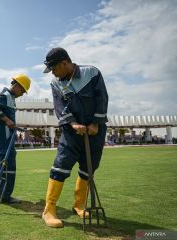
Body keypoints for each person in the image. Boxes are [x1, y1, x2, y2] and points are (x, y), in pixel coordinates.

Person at [41, 47, 108, 227]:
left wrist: (95, 123)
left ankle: (79, 206)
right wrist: (72, 124)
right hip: (71, 133)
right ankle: (49, 209)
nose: (53, 73)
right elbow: (60, 107)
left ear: (64, 63)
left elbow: (102, 98)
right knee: (60, 166)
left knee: (89, 168)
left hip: (96, 131)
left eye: (54, 68)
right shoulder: (56, 84)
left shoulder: (92, 73)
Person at [0, 73, 31, 204]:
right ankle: (3, 194)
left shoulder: (9, 97)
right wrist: (7, 120)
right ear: (16, 86)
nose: (22, 94)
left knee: (1, 163)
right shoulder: (5, 96)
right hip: (3, 136)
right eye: (22, 90)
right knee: (8, 164)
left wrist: (11, 124)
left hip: (2, 135)